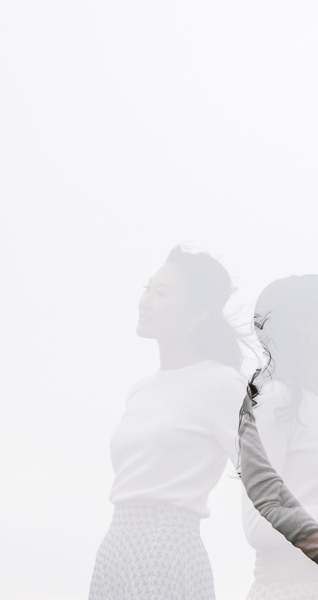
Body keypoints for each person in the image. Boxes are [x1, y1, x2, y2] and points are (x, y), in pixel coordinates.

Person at [88, 246, 247, 600]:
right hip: (115, 546)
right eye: (147, 288)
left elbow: (261, 478)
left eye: (161, 293)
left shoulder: (221, 383)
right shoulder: (140, 390)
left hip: (167, 547)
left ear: (198, 311)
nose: (145, 301)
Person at [242, 274, 318, 600]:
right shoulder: (273, 400)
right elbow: (259, 521)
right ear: (306, 324)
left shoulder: (313, 406)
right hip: (289, 590)